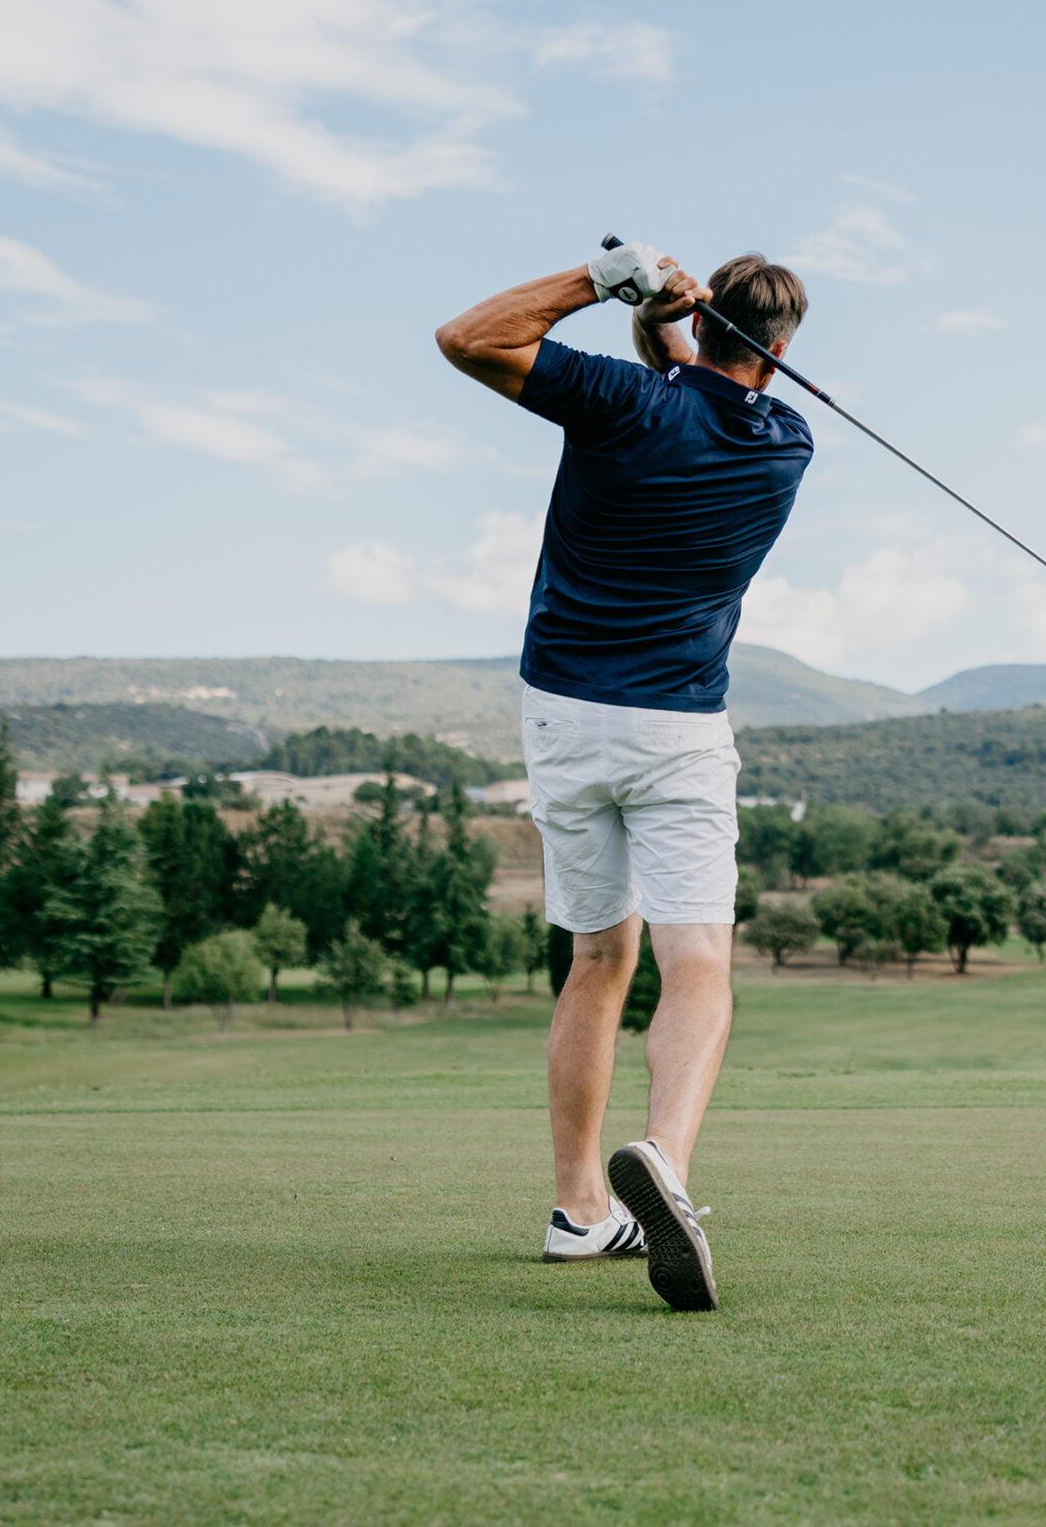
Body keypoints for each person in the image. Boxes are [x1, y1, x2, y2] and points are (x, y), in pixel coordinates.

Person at [434, 240, 814, 1311]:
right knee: (697, 960)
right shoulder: (786, 443)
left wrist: (607, 287)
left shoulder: (616, 403)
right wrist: (667, 325)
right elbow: (695, 387)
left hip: (562, 713)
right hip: (678, 727)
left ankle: (575, 1215)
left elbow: (468, 338)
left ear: (706, 321)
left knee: (598, 957)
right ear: (778, 354)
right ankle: (668, 1171)